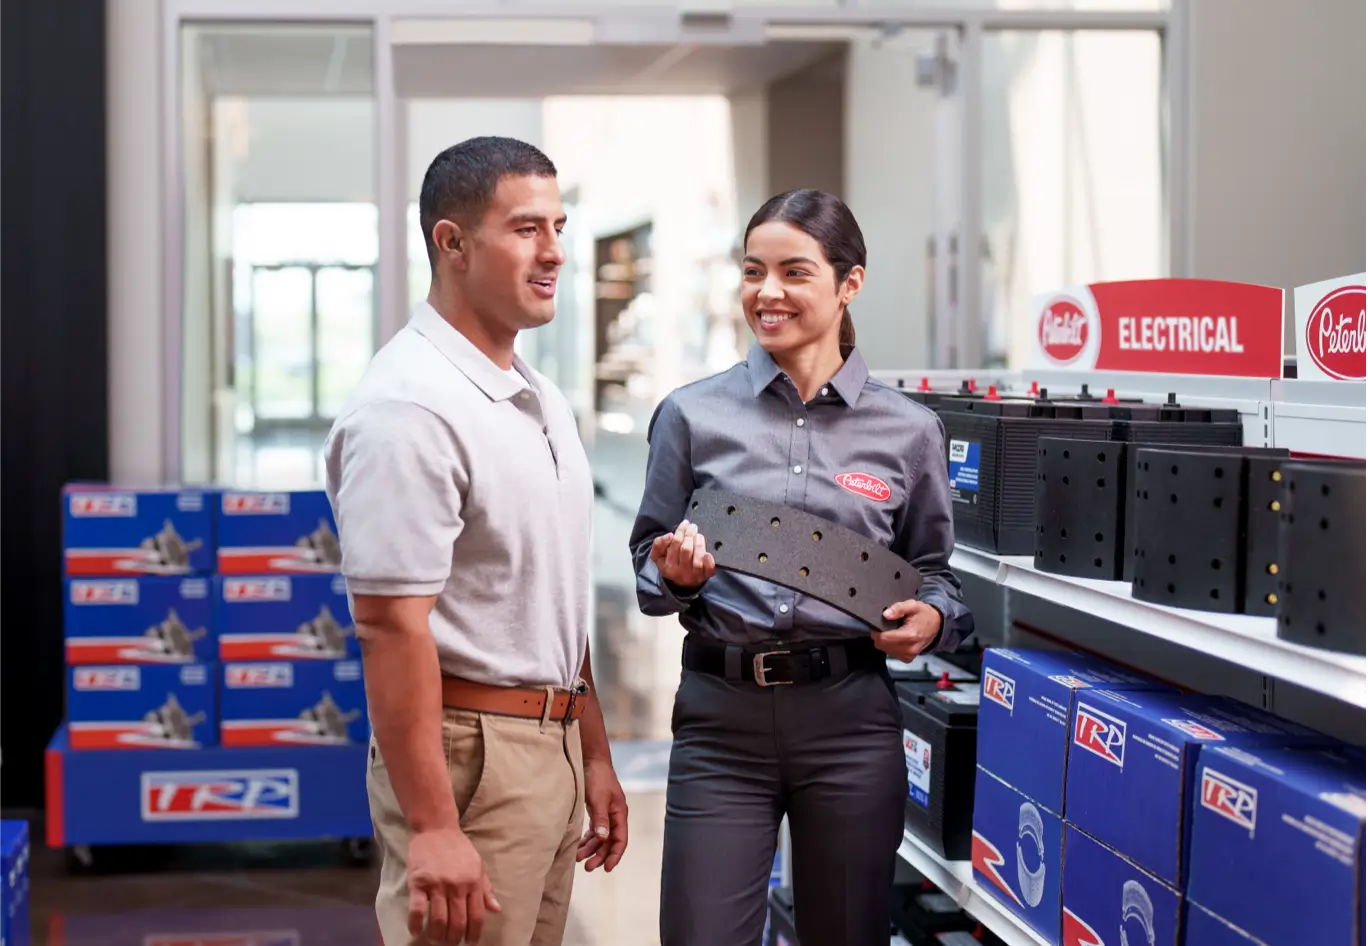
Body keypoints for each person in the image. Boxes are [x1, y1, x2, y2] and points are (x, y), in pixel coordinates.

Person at [629, 188, 973, 946]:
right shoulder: (691, 416)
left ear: (850, 283)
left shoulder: (909, 432)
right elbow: (645, 567)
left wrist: (934, 618)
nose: (767, 293)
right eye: (753, 272)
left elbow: (935, 574)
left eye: (793, 271)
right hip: (722, 720)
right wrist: (676, 578)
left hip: (850, 720)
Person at [324, 136, 628, 946]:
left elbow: (551, 597)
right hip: (472, 758)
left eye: (559, 226)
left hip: (549, 744)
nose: (556, 252)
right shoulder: (410, 409)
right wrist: (431, 827)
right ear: (451, 243)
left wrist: (591, 751)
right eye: (527, 229)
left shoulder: (538, 396)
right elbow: (390, 624)